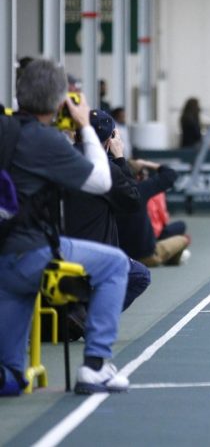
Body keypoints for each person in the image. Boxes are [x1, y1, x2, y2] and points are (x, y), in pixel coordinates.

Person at [0, 59, 129, 395]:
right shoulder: (46, 141)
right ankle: (96, 366)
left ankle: (8, 374)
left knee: (12, 375)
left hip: (4, 260)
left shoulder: (4, 127)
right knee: (115, 264)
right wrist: (85, 125)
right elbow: (101, 181)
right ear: (61, 102)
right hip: (31, 254)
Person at [63, 109, 151, 318]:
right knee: (140, 276)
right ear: (109, 140)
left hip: (55, 246)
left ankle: (77, 313)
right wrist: (120, 158)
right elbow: (133, 201)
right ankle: (89, 317)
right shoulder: (106, 169)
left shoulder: (60, 160)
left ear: (76, 134)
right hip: (94, 252)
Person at [116, 161, 190, 267]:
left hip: (119, 258)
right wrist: (146, 163)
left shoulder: (107, 192)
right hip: (145, 256)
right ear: (139, 176)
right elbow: (170, 174)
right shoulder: (140, 189)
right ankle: (172, 259)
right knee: (184, 239)